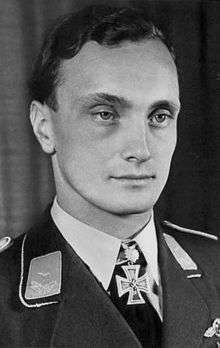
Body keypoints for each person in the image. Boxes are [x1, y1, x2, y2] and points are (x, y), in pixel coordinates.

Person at [0, 4, 220, 348]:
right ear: (44, 128)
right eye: (105, 114)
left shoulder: (215, 266)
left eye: (159, 116)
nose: (141, 149)